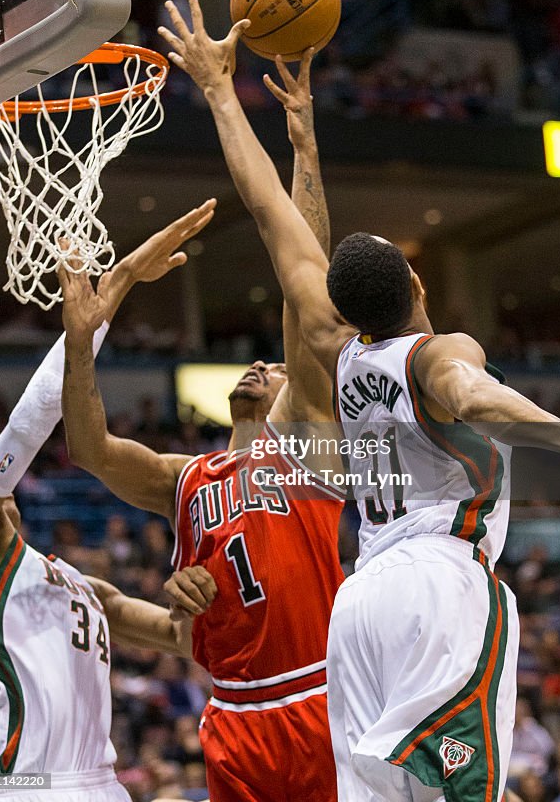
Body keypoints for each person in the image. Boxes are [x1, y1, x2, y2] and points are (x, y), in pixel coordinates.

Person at [158, 0, 560, 802]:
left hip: (360, 603)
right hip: (440, 585)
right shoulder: (439, 350)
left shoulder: (336, 349)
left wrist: (220, 90)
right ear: (417, 281)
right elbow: (472, 392)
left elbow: (272, 216)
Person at [59, 65, 345, 802]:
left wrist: (304, 149)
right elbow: (90, 451)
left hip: (318, 694)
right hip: (233, 714)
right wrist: (81, 343)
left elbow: (303, 283)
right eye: (260, 363)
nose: (261, 365)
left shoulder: (307, 446)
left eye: (275, 368)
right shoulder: (187, 480)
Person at [0, 207, 219, 802]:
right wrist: (119, 285)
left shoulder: (83, 588)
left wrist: (205, 595)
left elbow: (185, 640)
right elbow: (25, 430)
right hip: (23, 784)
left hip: (99, 786)